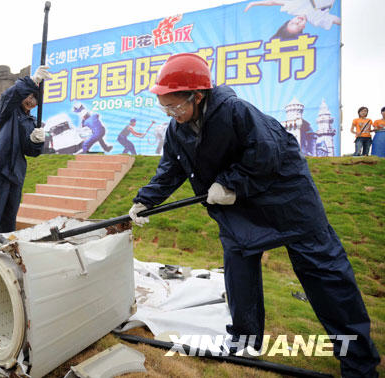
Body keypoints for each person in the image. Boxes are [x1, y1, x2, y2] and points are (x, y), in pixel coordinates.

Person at [128, 53, 380, 377]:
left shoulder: (236, 111)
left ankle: (359, 361)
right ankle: (245, 341)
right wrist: (144, 201)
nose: (172, 114)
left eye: (176, 106)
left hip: (287, 199)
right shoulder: (178, 130)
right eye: (165, 108)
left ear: (198, 96)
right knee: (238, 270)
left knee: (325, 277)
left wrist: (229, 183)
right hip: (238, 206)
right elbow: (172, 168)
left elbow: (267, 153)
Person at [0, 66, 50, 234]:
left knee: (8, 221)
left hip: (15, 174)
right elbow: (11, 94)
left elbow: (30, 151)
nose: (31, 100)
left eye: (35, 98)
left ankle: (1, 253)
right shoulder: (10, 108)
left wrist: (36, 142)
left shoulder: (31, 121)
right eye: (28, 95)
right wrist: (32, 81)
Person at [245, 0, 340, 32]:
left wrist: (254, 3)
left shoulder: (293, 7)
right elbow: (337, 20)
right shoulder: (317, 19)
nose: (297, 21)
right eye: (298, 25)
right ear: (303, 27)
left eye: (293, 23)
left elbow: (272, 2)